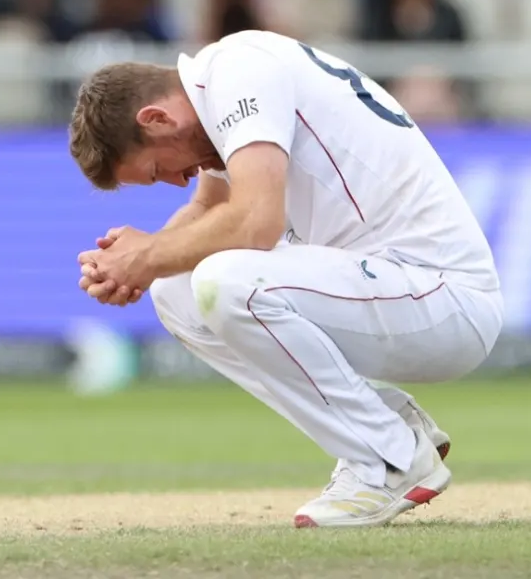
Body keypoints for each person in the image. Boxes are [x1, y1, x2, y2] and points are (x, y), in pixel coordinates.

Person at [69, 29, 503, 528]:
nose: (174, 180)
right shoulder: (219, 88)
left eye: (155, 170)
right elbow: (209, 208)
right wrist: (141, 265)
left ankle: (390, 461)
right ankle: (388, 428)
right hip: (388, 287)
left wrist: (147, 255)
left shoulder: (239, 72)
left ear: (157, 118)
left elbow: (255, 222)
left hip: (440, 294)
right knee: (177, 290)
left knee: (227, 282)